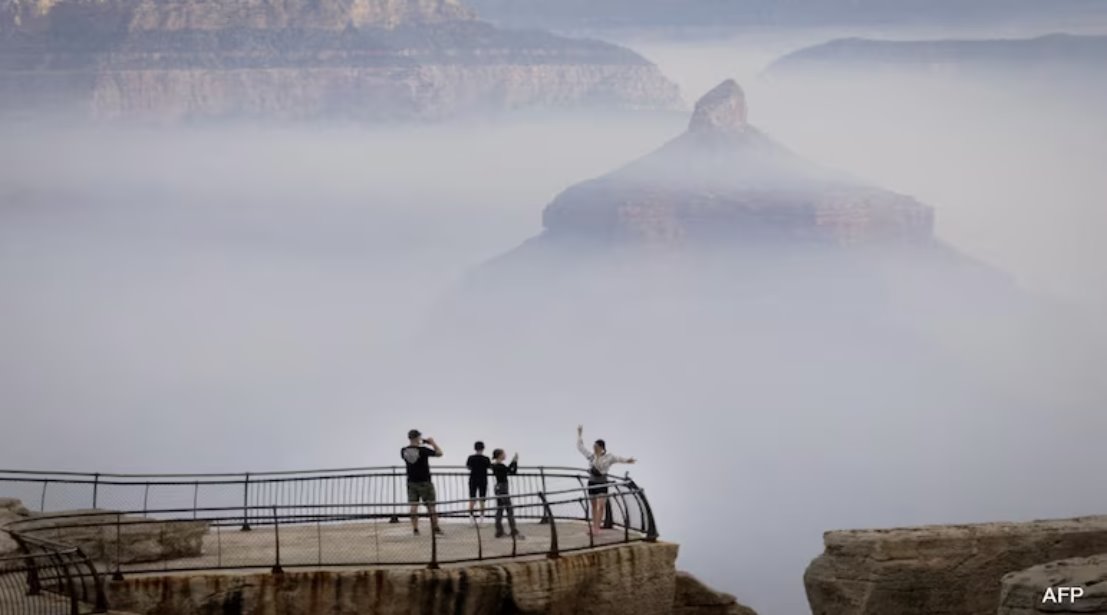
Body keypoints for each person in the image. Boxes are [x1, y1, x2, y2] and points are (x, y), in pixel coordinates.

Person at [576, 424, 636, 533]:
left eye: (596, 447)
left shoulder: (609, 457)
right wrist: (579, 434)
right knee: (594, 506)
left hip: (602, 482)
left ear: (602, 448)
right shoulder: (592, 456)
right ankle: (594, 527)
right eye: (594, 447)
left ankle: (597, 528)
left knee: (601, 505)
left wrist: (628, 460)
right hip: (592, 482)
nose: (594, 449)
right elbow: (580, 447)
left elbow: (614, 460)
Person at [401, 429, 444, 535]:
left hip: (411, 481)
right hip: (425, 481)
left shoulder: (404, 451)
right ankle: (435, 527)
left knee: (413, 505)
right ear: (417, 437)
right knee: (431, 506)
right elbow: (439, 453)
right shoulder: (423, 450)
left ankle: (415, 528)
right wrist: (432, 443)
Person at [491, 448, 524, 539]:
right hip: (503, 488)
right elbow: (511, 471)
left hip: (498, 487)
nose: (505, 455)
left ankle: (499, 531)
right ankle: (513, 530)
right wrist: (515, 461)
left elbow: (508, 470)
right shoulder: (500, 466)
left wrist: (513, 462)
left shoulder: (495, 465)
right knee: (509, 509)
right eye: (504, 453)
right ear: (500, 455)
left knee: (500, 510)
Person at [466, 441, 491, 520]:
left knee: (472, 498)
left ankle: (470, 516)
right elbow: (489, 466)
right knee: (482, 499)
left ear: (475, 448)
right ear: (483, 448)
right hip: (483, 479)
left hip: (473, 478)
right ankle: (482, 517)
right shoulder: (486, 459)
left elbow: (468, 467)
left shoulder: (471, 458)